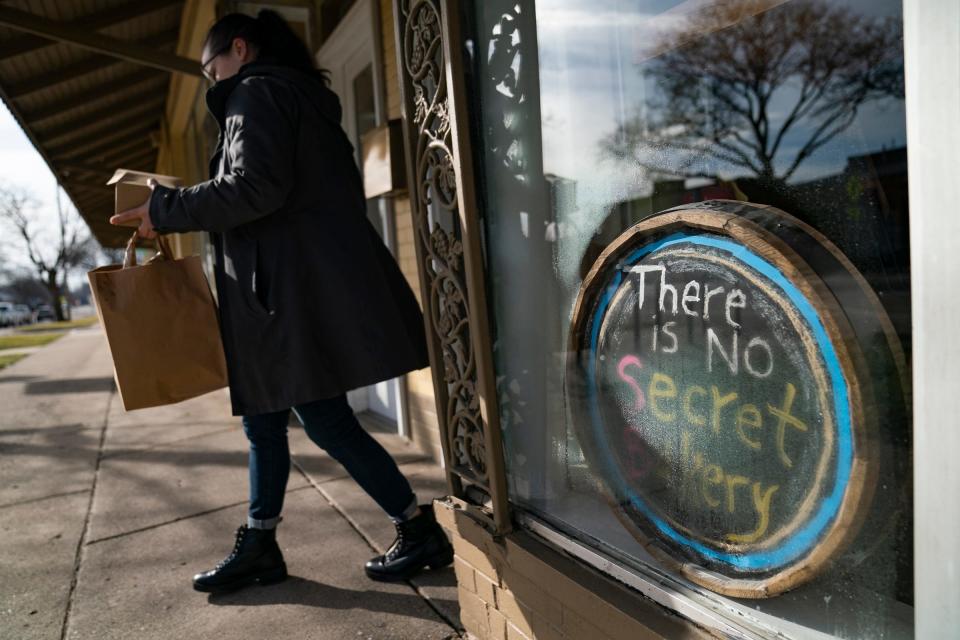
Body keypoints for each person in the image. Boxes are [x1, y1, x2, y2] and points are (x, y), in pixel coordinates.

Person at [110, 10, 452, 593]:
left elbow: (253, 187)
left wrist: (165, 208)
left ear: (239, 49)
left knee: (326, 422)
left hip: (282, 298)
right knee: (264, 423)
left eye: (209, 65)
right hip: (281, 292)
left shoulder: (256, 95)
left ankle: (416, 527)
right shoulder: (293, 97)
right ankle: (261, 542)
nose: (209, 78)